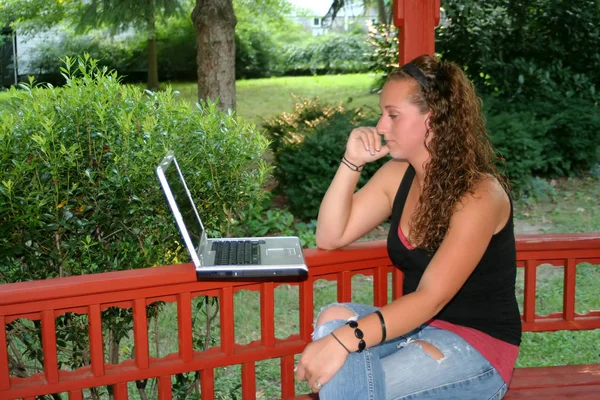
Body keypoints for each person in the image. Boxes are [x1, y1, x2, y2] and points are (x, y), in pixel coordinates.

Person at [294, 54, 522, 400]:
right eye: (382, 113)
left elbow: (431, 297)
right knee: (334, 315)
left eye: (393, 115)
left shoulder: (480, 195)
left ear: (432, 120)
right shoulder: (398, 176)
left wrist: (340, 341)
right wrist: (352, 161)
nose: (381, 126)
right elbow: (330, 235)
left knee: (348, 376)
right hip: (416, 328)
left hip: (475, 347)